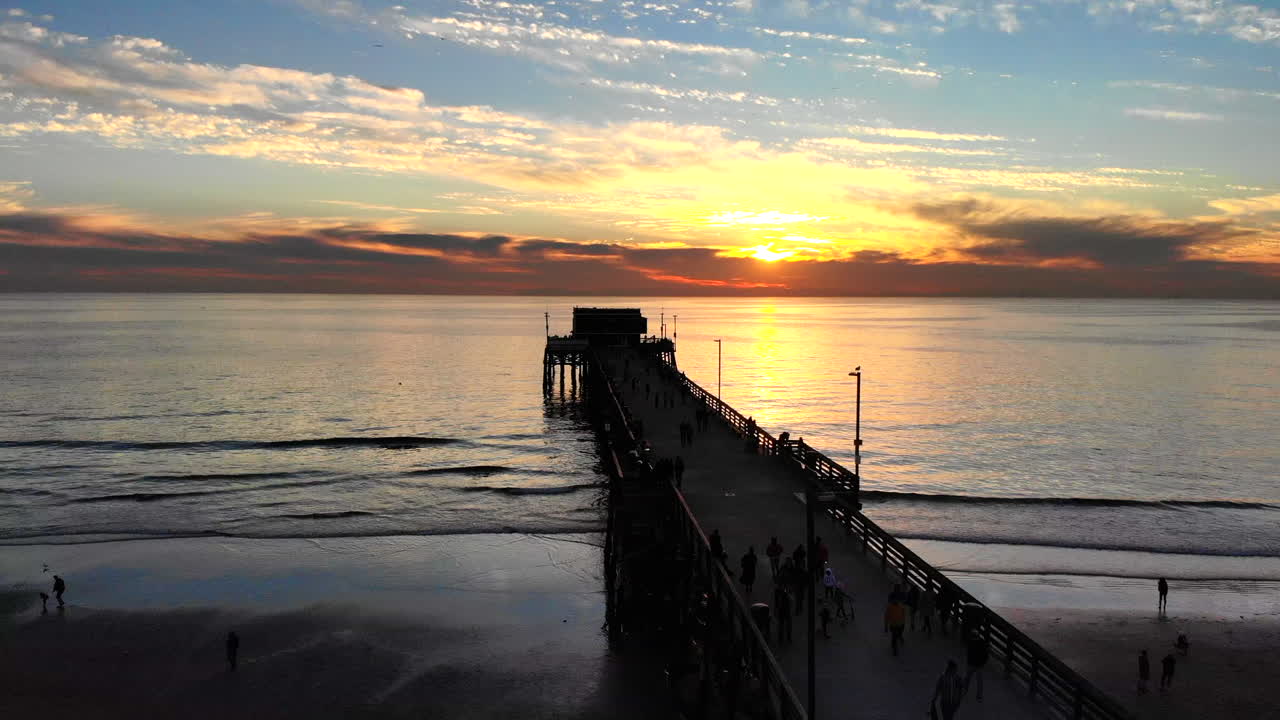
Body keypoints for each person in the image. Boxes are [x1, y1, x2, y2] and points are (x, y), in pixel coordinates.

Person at [965, 629, 989, 702]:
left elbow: (969, 653)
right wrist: (983, 663)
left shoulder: (971, 642)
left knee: (968, 678)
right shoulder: (982, 642)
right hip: (978, 665)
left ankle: (965, 690)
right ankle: (979, 696)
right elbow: (986, 654)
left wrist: (968, 661)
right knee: (979, 681)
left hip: (973, 664)